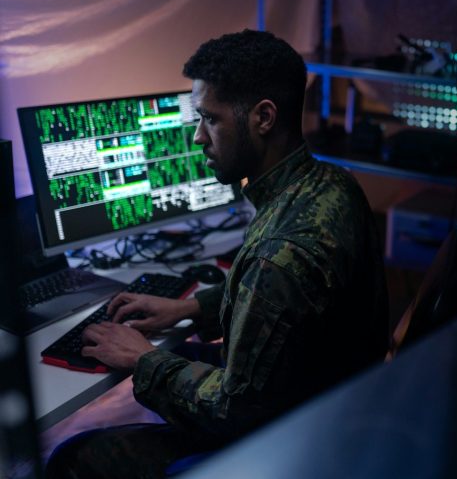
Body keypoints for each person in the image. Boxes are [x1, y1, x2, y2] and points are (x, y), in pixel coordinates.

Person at [46, 29, 389, 478]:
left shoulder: (278, 254)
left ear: (263, 117)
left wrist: (142, 360)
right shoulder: (331, 186)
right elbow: (286, 310)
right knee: (184, 353)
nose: (196, 138)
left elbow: (234, 411)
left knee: (72, 458)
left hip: (292, 441)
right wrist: (189, 307)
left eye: (209, 119)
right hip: (332, 403)